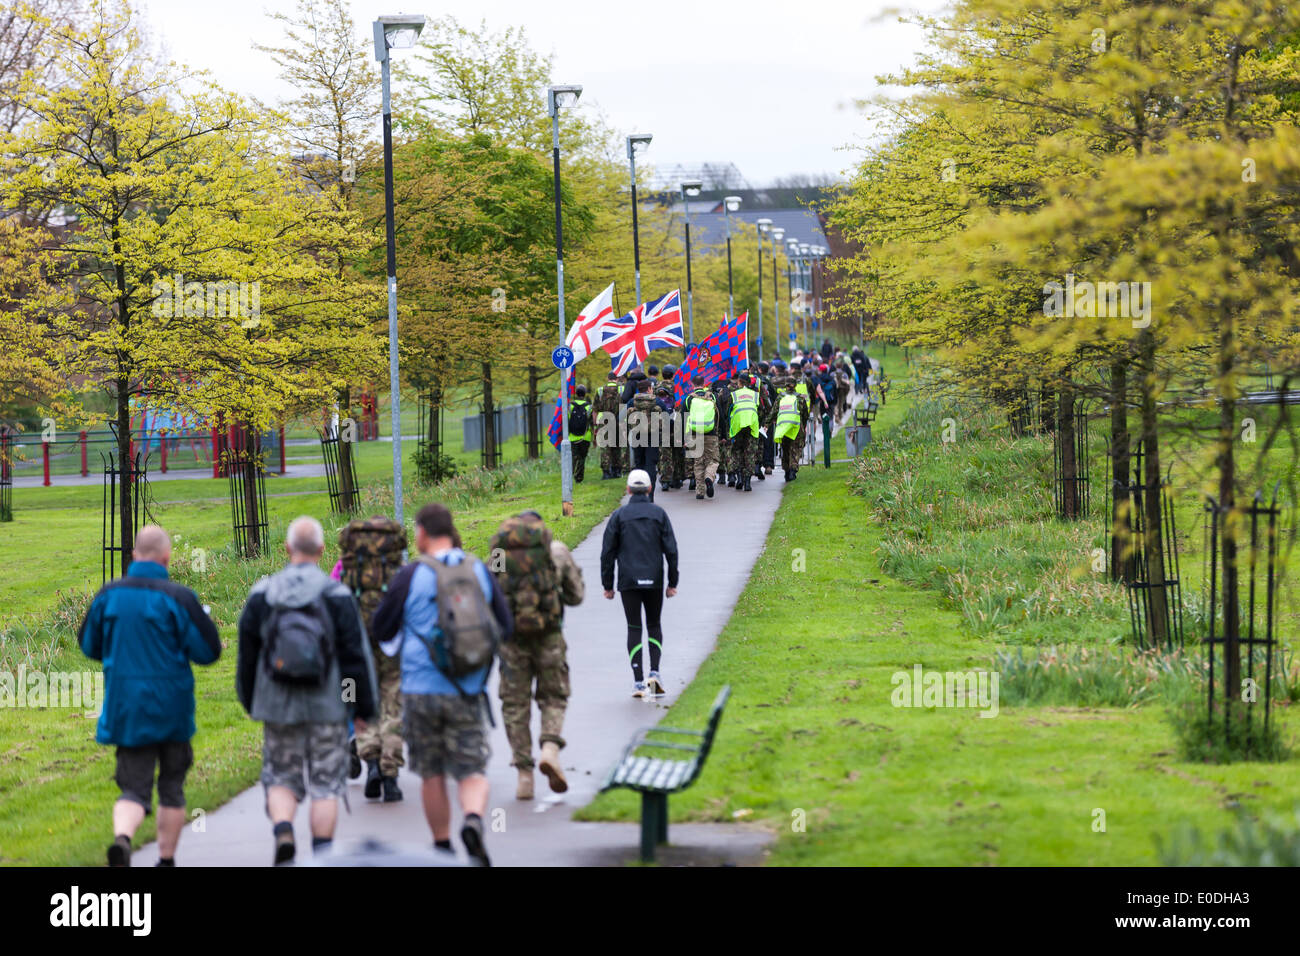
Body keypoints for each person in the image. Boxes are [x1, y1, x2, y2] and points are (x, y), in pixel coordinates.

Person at [370, 503, 513, 866]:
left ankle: (442, 846)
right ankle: (474, 820)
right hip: (468, 688)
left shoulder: (410, 575)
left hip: (420, 691)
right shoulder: (479, 569)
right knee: (472, 768)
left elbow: (381, 628)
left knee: (431, 771)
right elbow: (505, 625)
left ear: (421, 532)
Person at [237, 516, 379, 865]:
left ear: (287, 549)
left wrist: (252, 699)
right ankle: (322, 854)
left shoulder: (262, 594)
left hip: (277, 705)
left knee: (281, 776)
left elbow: (248, 657)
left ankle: (284, 828)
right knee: (326, 785)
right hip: (327, 707)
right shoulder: (337, 595)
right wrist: (360, 708)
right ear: (320, 550)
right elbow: (354, 659)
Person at [79, 525, 221, 867]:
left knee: (133, 788)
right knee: (172, 786)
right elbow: (208, 652)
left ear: (133, 557)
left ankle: (123, 839)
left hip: (127, 707)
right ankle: (166, 860)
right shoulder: (179, 597)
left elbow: (88, 645)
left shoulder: (108, 595)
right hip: (172, 709)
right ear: (167, 558)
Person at [491, 510, 584, 800]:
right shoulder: (555, 551)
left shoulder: (500, 552)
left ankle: (524, 775)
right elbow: (576, 596)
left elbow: (489, 590)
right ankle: (550, 749)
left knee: (515, 704)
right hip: (549, 637)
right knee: (553, 696)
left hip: (512, 641)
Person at [337, 516, 408, 802]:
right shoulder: (398, 572)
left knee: (360, 703)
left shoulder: (348, 570)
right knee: (393, 705)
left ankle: (372, 765)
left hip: (357, 642)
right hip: (391, 640)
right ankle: (391, 777)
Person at [600, 469, 679, 697]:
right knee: (654, 624)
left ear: (627, 490)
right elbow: (671, 551)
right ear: (650, 488)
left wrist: (608, 585)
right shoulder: (659, 514)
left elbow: (607, 552)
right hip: (654, 579)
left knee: (634, 626)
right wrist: (672, 581)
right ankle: (654, 674)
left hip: (628, 581)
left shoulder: (618, 516)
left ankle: (637, 681)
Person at [682, 374, 721, 499]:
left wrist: (684, 438)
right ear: (704, 384)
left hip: (694, 433)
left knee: (698, 462)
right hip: (711, 434)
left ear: (692, 384)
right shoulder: (712, 396)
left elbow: (683, 419)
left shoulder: (689, 399)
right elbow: (720, 416)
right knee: (713, 460)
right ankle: (709, 477)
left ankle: (700, 491)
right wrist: (723, 434)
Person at [627, 378, 663, 501]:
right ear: (648, 389)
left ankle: (639, 495)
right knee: (651, 465)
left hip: (637, 435)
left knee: (639, 464)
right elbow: (666, 417)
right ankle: (651, 496)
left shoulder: (632, 402)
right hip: (653, 436)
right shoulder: (657, 401)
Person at [772, 374, 809, 481]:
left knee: (785, 449)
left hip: (784, 428)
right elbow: (805, 414)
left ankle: (787, 471)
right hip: (797, 427)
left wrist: (766, 424)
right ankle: (793, 470)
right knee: (795, 449)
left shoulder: (780, 397)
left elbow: (773, 412)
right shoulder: (800, 398)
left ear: (785, 385)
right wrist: (804, 425)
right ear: (795, 385)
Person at [728, 372, 761, 492]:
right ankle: (747, 482)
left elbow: (728, 411)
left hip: (738, 426)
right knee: (750, 454)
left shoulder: (734, 394)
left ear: (740, 382)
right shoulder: (755, 394)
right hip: (752, 426)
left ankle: (739, 478)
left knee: (737, 452)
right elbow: (761, 411)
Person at [596, 372, 626, 479]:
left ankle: (606, 472)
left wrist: (595, 424)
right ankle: (616, 471)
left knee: (605, 447)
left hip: (603, 422)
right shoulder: (622, 390)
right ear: (617, 379)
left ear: (608, 378)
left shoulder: (600, 390)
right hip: (618, 422)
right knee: (617, 447)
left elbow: (595, 409)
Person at [569, 384, 593, 483]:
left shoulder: (570, 406)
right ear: (585, 394)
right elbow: (592, 422)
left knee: (574, 457)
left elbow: (566, 420)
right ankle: (579, 478)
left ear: (576, 393)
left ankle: (569, 476)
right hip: (585, 437)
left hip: (572, 437)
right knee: (582, 457)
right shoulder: (589, 407)